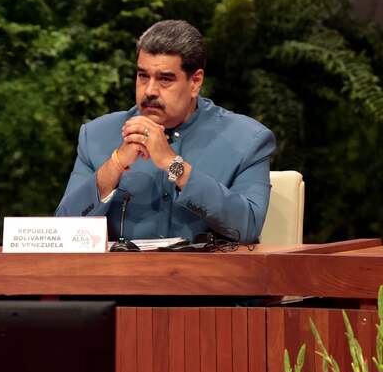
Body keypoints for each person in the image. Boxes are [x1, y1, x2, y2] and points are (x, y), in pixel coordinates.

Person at [55, 20, 275, 244]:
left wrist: (173, 165)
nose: (150, 90)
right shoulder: (96, 136)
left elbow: (248, 227)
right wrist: (115, 165)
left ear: (195, 82)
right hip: (121, 267)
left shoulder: (248, 140)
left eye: (165, 79)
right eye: (143, 76)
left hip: (205, 267)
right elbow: (62, 231)